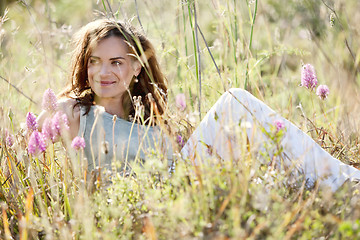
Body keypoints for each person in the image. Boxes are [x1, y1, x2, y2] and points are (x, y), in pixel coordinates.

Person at [38, 18, 360, 191]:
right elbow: (39, 136)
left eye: (115, 62)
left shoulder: (144, 112)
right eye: (94, 61)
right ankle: (342, 180)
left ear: (136, 67)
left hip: (186, 181)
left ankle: (328, 181)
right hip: (163, 193)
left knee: (247, 124)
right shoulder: (77, 113)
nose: (102, 72)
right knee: (235, 101)